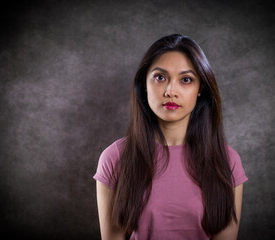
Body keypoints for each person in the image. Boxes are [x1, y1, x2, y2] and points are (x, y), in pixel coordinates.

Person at [93, 34, 248, 240]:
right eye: (160, 77)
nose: (170, 91)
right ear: (144, 84)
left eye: (186, 80)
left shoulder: (227, 161)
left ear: (200, 88)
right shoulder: (114, 158)